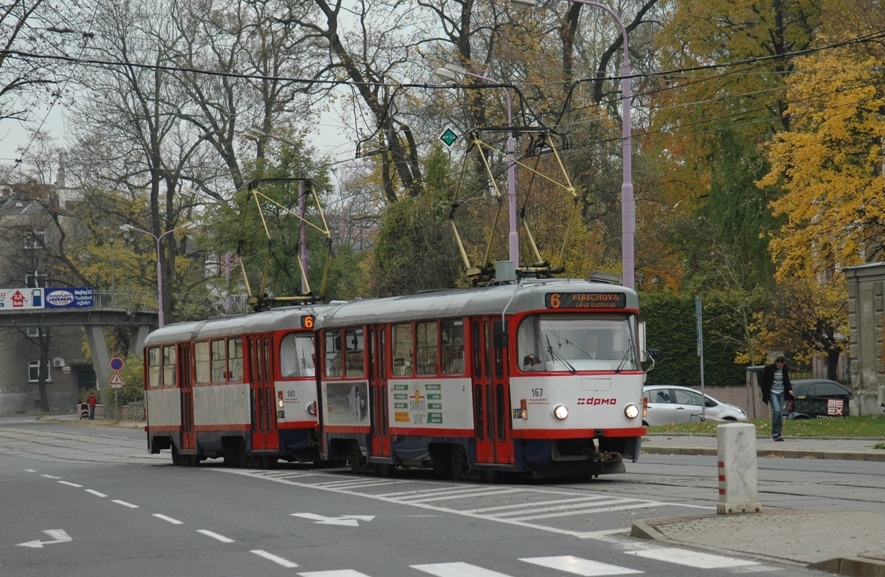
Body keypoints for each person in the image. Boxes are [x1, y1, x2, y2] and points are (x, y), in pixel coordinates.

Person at [760, 356, 794, 441]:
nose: (781, 367)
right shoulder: (769, 368)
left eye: (782, 365)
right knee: (777, 411)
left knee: (780, 414)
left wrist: (789, 389)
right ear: (777, 363)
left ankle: (779, 434)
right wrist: (765, 391)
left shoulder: (784, 369)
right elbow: (763, 380)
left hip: (781, 392)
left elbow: (786, 379)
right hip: (773, 392)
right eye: (780, 365)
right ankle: (774, 433)